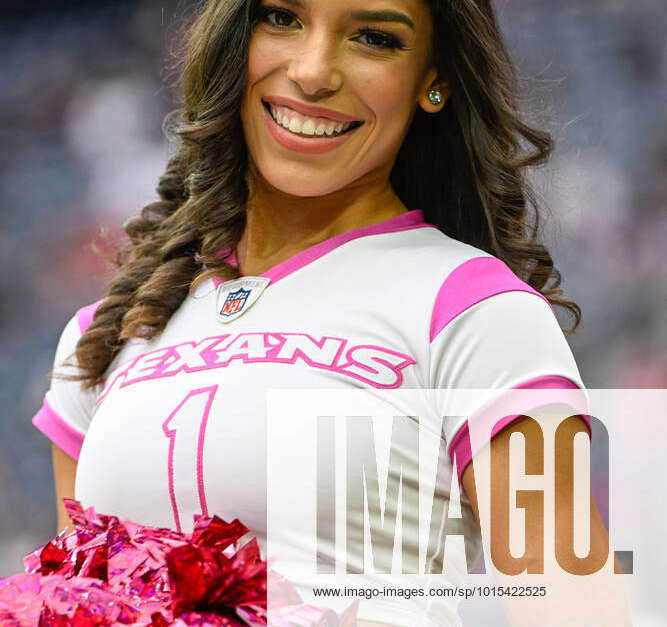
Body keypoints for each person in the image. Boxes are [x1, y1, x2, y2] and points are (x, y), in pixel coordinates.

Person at [30, 1, 620, 626]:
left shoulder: (477, 311)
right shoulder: (103, 336)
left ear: (432, 80)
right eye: (282, 19)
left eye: (373, 38)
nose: (313, 72)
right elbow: (76, 602)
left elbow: (576, 608)